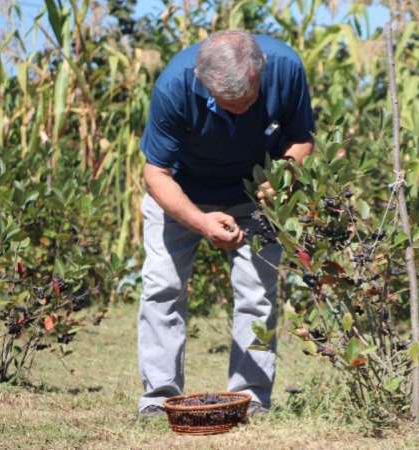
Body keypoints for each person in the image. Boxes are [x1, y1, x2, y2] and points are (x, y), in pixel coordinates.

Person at [136, 30, 314, 417]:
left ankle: (251, 398)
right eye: (225, 103)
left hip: (256, 192)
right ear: (204, 82)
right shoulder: (175, 84)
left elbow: (301, 140)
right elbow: (156, 175)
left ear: (259, 74)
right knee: (162, 287)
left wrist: (280, 179)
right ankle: (157, 398)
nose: (238, 110)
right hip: (181, 192)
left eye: (247, 101)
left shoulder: (286, 68)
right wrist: (201, 222)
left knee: (257, 293)